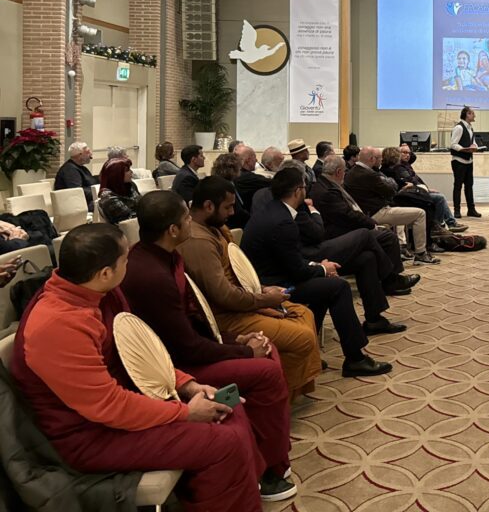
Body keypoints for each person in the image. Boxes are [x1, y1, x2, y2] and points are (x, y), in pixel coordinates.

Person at [10, 224, 268, 511]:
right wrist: (185, 413)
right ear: (105, 273)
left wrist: (188, 385)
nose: (130, 263)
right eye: (125, 259)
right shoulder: (56, 324)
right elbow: (107, 406)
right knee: (223, 442)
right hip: (89, 436)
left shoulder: (99, 291)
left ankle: (247, 491)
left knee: (228, 408)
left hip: (125, 404)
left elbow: (141, 353)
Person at [119, 192, 296, 501]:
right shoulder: (150, 275)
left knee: (267, 352)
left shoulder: (165, 256)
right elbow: (186, 348)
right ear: (173, 230)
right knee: (265, 371)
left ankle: (268, 455)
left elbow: (194, 322)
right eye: (186, 218)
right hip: (177, 368)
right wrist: (244, 351)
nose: (192, 221)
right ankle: (270, 471)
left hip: (188, 349)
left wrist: (236, 340)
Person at [240, 167, 393, 377]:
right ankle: (355, 358)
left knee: (356, 265)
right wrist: (322, 268)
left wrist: (319, 267)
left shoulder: (274, 210)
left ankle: (312, 350)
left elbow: (291, 260)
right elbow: (296, 270)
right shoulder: (283, 221)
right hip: (275, 286)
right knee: (338, 287)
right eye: (304, 187)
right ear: (297, 191)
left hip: (276, 275)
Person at [179, 177, 322, 400]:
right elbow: (223, 295)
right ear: (208, 206)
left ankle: (292, 388)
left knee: (304, 313)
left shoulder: (213, 227)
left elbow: (236, 274)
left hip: (243, 300)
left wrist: (263, 289)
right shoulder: (198, 240)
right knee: (303, 337)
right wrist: (264, 300)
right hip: (226, 316)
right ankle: (279, 398)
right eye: (228, 207)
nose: (232, 212)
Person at [310, 154, 414, 287]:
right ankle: (392, 280)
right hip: (337, 233)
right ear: (338, 172)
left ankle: (389, 279)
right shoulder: (328, 191)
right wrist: (370, 223)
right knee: (388, 237)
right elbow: (347, 215)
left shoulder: (323, 183)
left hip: (340, 227)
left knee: (375, 243)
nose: (345, 174)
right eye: (344, 171)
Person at [346, 146, 440, 264]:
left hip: (365, 212)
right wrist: (390, 184)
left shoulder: (351, 172)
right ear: (372, 159)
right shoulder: (369, 174)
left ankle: (405, 246)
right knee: (420, 213)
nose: (381, 160)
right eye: (379, 158)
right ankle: (421, 253)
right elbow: (390, 191)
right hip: (376, 213)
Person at [395, 144, 465, 231]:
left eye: (409, 153)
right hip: (413, 194)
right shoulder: (399, 167)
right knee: (440, 198)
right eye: (404, 152)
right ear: (398, 154)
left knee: (438, 195)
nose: (408, 155)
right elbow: (410, 181)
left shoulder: (407, 165)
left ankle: (449, 223)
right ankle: (438, 227)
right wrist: (425, 190)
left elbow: (413, 160)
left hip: (418, 191)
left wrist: (427, 189)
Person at [449, 106, 480, 218]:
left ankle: (471, 210)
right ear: (467, 114)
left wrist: (475, 146)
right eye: (473, 113)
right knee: (458, 186)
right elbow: (453, 144)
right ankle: (457, 211)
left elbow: (473, 142)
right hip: (459, 161)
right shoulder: (459, 127)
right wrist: (463, 149)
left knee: (469, 186)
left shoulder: (470, 128)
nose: (474, 115)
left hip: (469, 161)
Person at [54, 142, 96, 212]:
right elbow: (77, 191)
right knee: (107, 205)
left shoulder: (81, 167)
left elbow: (90, 181)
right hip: (73, 206)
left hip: (84, 202)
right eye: (88, 152)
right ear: (80, 155)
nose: (91, 154)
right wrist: (97, 191)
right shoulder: (69, 170)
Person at [96, 157, 140, 225]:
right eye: (127, 170)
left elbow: (142, 203)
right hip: (127, 228)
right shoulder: (109, 198)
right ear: (116, 175)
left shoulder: (130, 185)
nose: (131, 172)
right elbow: (129, 219)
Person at [211, 152, 249, 229]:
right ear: (233, 169)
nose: (240, 170)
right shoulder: (224, 186)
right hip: (232, 226)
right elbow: (238, 213)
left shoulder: (228, 182)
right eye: (239, 167)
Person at [233, 145, 272, 212]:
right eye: (254, 157)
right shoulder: (248, 178)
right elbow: (274, 183)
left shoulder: (234, 174)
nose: (256, 160)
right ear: (248, 160)